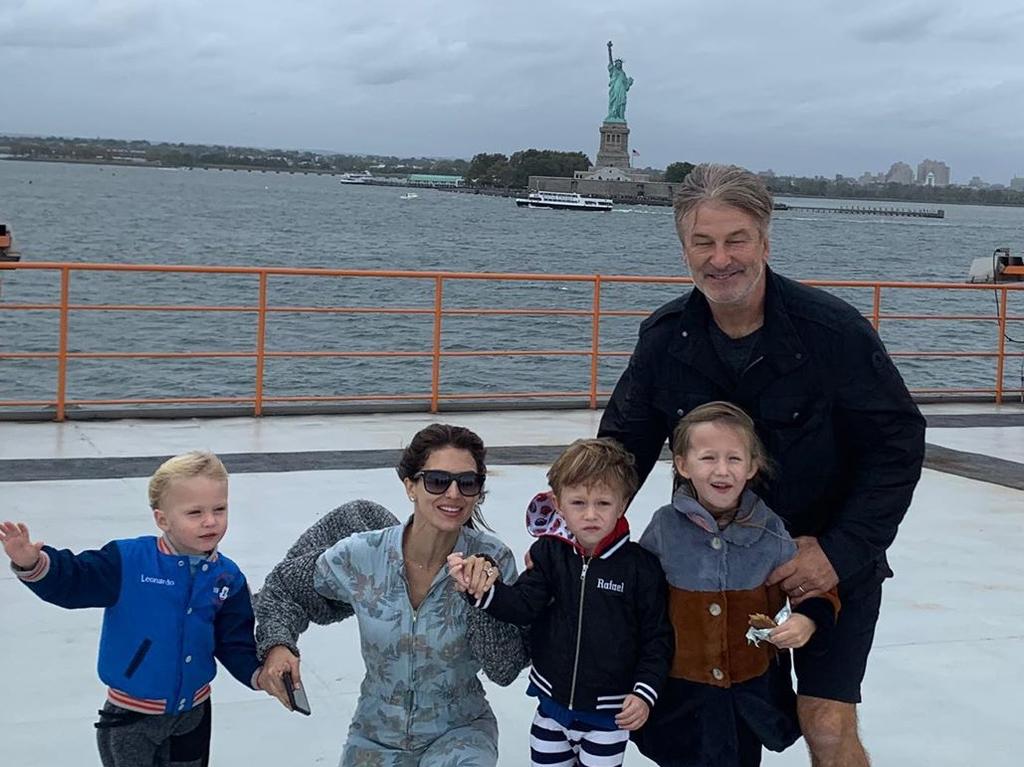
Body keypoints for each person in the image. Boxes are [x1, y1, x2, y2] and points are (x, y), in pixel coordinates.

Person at [598, 163, 926, 767]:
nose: (720, 259)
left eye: (736, 240)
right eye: (703, 242)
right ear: (683, 248)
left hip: (821, 557)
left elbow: (896, 446)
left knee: (826, 721)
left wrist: (839, 551)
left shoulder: (834, 332)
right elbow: (621, 446)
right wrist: (577, 534)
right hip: (705, 565)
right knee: (698, 724)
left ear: (765, 240)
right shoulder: (664, 338)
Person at [255, 423, 529, 767]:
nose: (454, 494)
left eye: (467, 483)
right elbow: (283, 588)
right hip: (374, 735)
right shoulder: (363, 554)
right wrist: (278, 644)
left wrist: (483, 599)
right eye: (438, 481)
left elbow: (505, 669)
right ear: (410, 486)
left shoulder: (493, 559)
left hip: (460, 732)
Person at [0, 450, 267, 767]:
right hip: (131, 717)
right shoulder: (128, 561)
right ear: (162, 519)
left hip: (193, 713)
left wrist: (258, 674)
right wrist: (32, 562)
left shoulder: (228, 577)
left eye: (219, 509)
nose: (210, 521)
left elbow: (234, 641)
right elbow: (75, 580)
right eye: (194, 512)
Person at [635, 401, 839, 766]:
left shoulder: (769, 528)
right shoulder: (664, 528)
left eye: (734, 459)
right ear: (683, 465)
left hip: (747, 695)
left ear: (752, 467)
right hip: (681, 692)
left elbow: (812, 587)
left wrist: (806, 620)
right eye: (708, 458)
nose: (722, 470)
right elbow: (636, 591)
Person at [448, 437, 672, 767]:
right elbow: (524, 604)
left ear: (623, 503)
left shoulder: (642, 568)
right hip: (550, 708)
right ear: (558, 503)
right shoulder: (549, 555)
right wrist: (480, 590)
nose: (591, 514)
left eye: (604, 503)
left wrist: (644, 693)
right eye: (578, 503)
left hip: (609, 717)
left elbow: (657, 639)